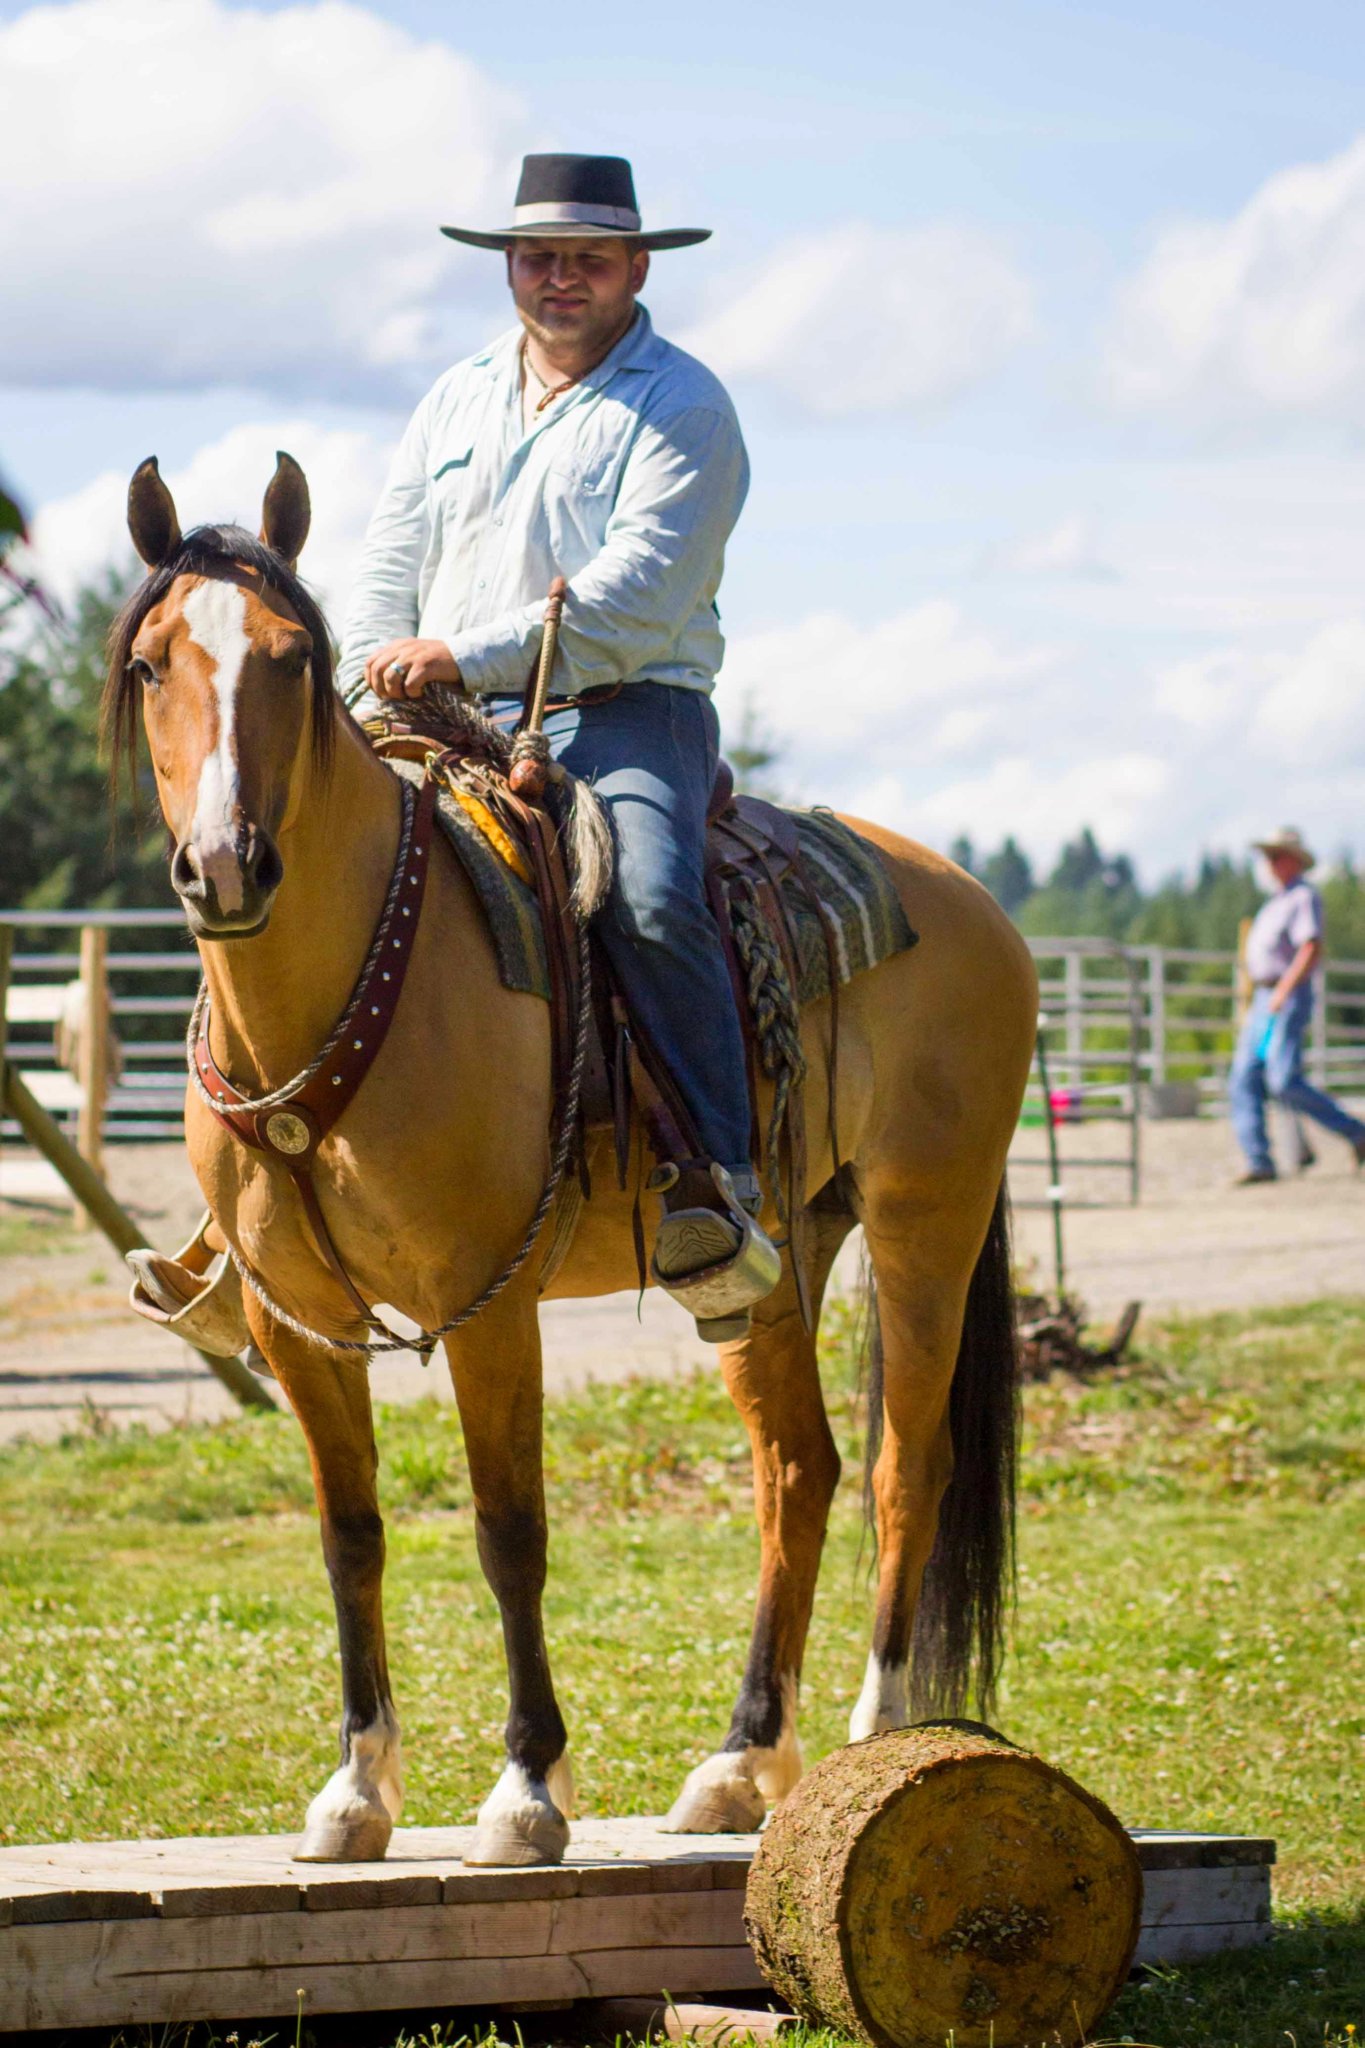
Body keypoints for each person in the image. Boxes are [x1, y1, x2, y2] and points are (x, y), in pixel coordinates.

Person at [337, 152, 778, 1336]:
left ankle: (718, 1183)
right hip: (436, 709)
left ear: (638, 267)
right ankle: (260, 1199)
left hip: (625, 706)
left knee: (644, 890)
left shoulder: (684, 402)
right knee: (302, 870)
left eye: (588, 257)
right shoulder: (456, 396)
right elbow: (387, 557)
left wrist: (454, 655)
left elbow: (637, 593)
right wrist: (364, 670)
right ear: (508, 268)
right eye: (539, 256)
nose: (560, 277)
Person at [1228, 826, 1365, 1185]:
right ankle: (1259, 1159)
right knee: (1245, 1077)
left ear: (1294, 860)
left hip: (1283, 996)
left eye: (1276, 856)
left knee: (1282, 1078)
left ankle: (1355, 1132)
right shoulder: (1277, 901)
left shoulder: (1303, 898)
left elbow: (1310, 947)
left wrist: (1283, 990)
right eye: (1268, 857)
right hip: (1265, 997)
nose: (1270, 863)